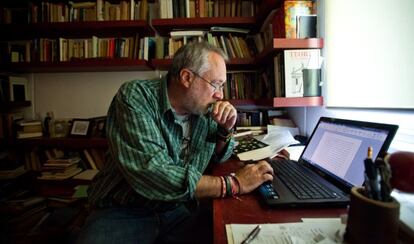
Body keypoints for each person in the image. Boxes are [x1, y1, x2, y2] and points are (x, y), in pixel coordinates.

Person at [77, 41, 274, 244]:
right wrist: (233, 184)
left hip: (178, 209)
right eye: (215, 84)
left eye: (222, 86)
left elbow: (217, 157)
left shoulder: (204, 109)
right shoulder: (135, 97)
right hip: (124, 210)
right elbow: (154, 172)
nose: (220, 95)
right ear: (187, 77)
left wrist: (224, 131)